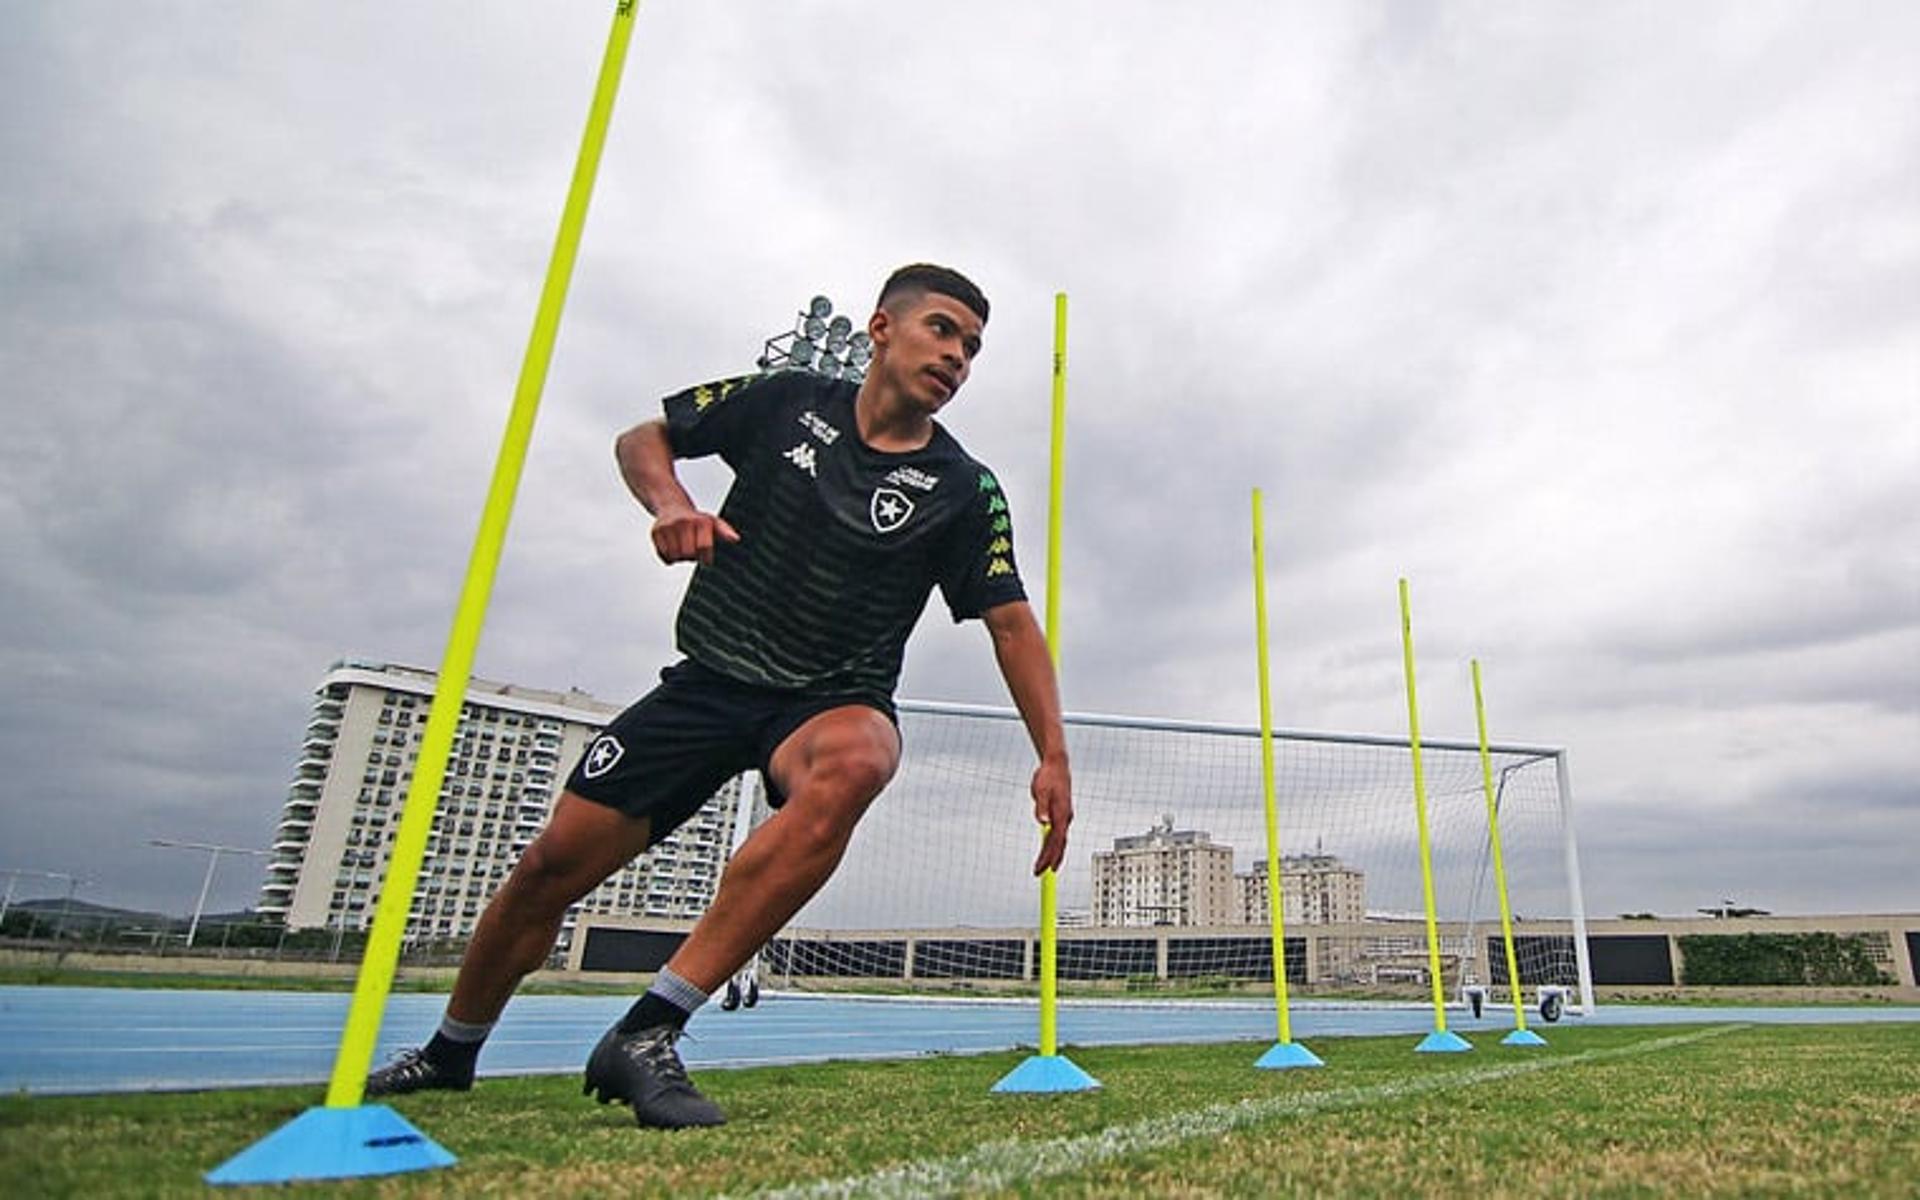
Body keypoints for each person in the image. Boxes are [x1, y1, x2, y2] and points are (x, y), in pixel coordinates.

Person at [366, 263, 1073, 1129]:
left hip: (827, 699)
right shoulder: (786, 400)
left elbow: (1011, 624)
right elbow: (643, 438)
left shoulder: (964, 488)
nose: (957, 356)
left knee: (858, 761)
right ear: (881, 330)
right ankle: (450, 1052)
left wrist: (1053, 755)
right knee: (553, 863)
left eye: (972, 346)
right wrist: (670, 504)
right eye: (942, 330)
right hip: (710, 679)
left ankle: (651, 1029)